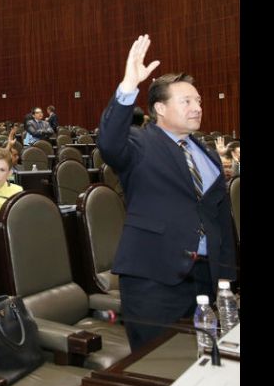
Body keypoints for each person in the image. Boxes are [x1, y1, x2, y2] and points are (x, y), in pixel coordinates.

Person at [96, 34, 236, 351]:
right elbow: (109, 143)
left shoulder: (208, 153)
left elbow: (220, 220)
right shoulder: (139, 143)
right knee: (156, 366)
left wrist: (226, 278)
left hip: (205, 278)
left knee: (201, 363)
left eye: (199, 101)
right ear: (160, 108)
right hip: (153, 278)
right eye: (186, 101)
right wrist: (128, 85)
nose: (197, 107)